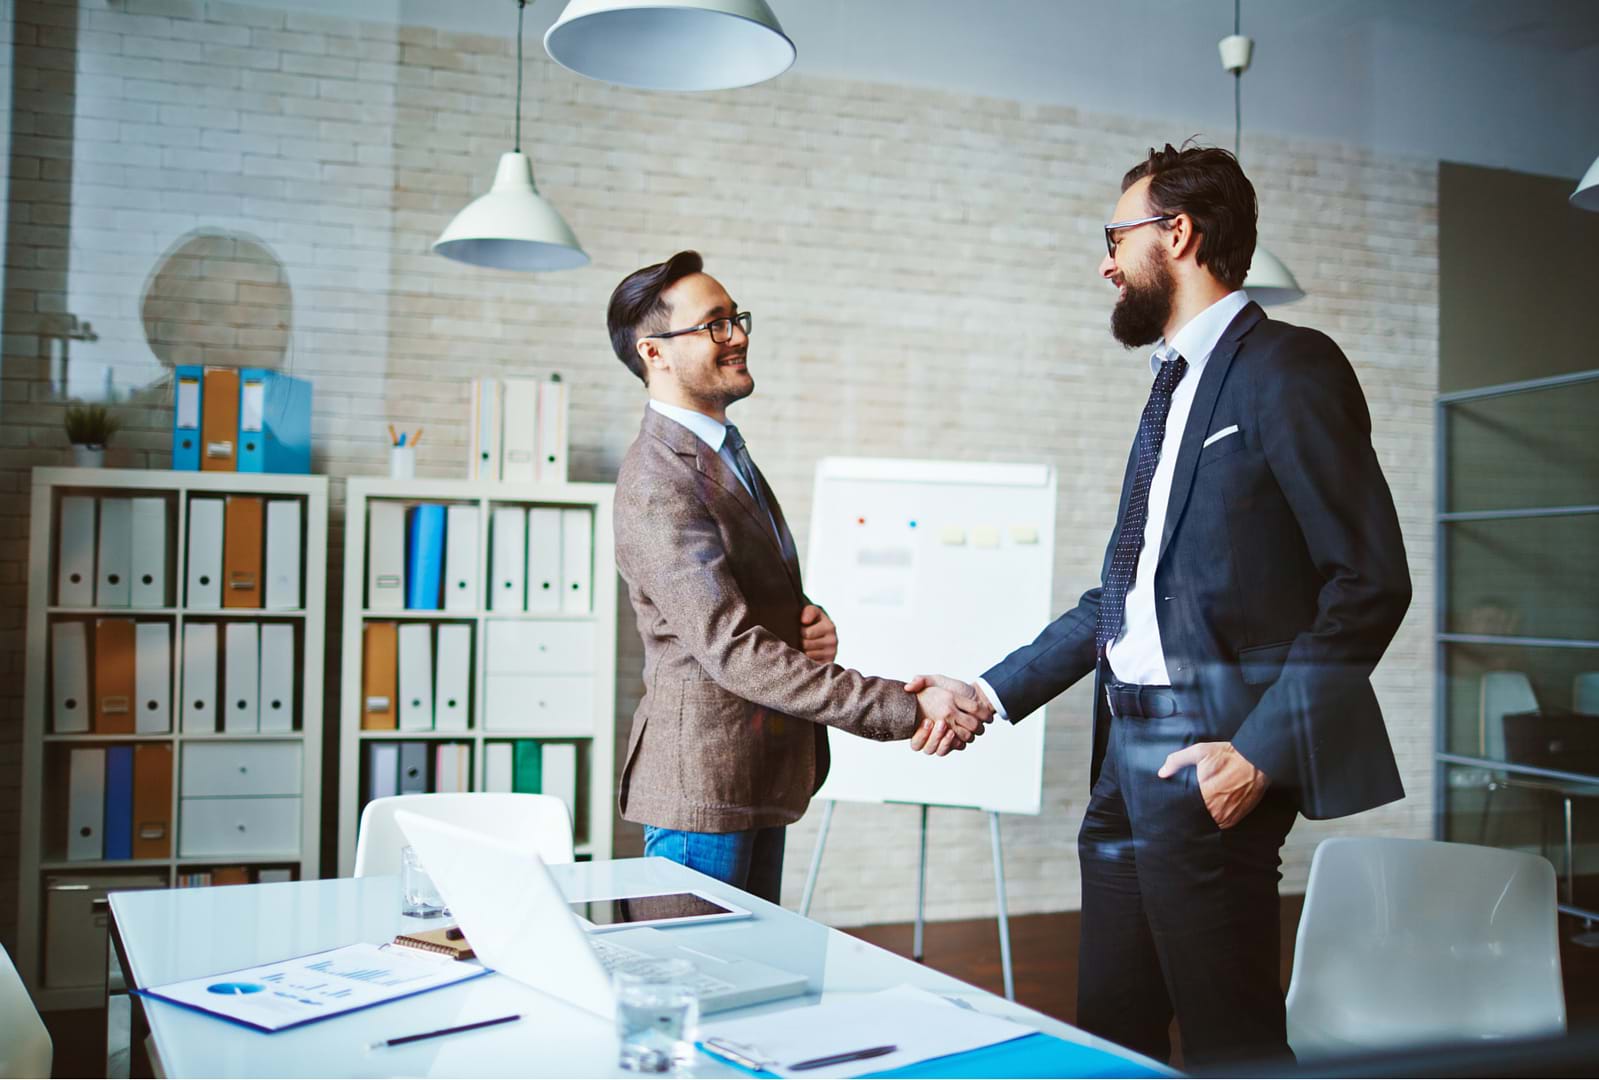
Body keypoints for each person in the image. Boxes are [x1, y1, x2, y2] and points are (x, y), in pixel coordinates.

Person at [912, 144, 1411, 1066]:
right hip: (1122, 753)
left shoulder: (1288, 368)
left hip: (1211, 752)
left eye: (1117, 235)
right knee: (1111, 1028)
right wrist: (987, 691)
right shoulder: (1170, 386)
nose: (1105, 261)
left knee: (1232, 1041)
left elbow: (1369, 580)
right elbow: (1125, 595)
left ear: (1176, 234)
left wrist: (1260, 753)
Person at [608, 251, 992, 904]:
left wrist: (802, 619)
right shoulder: (657, 480)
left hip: (751, 777)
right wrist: (906, 706)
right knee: (690, 995)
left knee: (749, 994)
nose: (738, 336)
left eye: (736, 319)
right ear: (655, 353)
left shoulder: (723, 453)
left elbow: (732, 593)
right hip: (701, 793)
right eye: (714, 324)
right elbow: (728, 646)